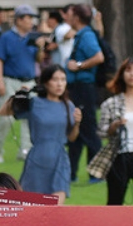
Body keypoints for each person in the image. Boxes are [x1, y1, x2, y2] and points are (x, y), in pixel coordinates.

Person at [0, 65, 81, 204]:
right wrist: (19, 95)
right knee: (31, 207)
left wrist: (77, 123)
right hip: (37, 158)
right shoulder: (34, 103)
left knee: (56, 208)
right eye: (55, 80)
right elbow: (3, 112)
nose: (60, 84)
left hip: (60, 159)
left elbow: (72, 137)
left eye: (63, 79)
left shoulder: (69, 105)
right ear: (46, 82)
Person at [0, 4, 46, 164]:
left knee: (29, 119)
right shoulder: (6, 37)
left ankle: (25, 151)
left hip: (29, 82)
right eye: (28, 18)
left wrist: (41, 48)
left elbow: (39, 60)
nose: (31, 22)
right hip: (10, 81)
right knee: (6, 118)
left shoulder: (33, 37)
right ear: (19, 20)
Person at [65, 3, 104, 183]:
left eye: (70, 14)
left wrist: (79, 65)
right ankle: (71, 173)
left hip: (84, 88)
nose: (68, 17)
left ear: (77, 18)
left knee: (88, 129)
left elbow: (99, 57)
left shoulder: (86, 35)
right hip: (77, 88)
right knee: (76, 129)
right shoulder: (82, 35)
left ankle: (96, 174)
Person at [92, 58, 133, 205]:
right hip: (119, 154)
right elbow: (101, 133)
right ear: (122, 74)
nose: (131, 74)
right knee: (115, 201)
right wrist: (113, 126)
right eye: (128, 70)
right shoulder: (110, 103)